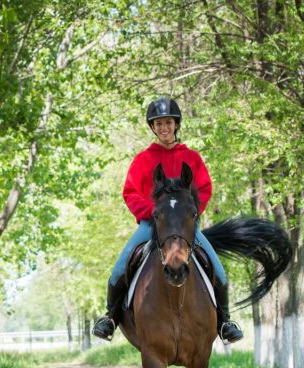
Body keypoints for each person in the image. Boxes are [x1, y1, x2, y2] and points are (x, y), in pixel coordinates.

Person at [91, 97, 243, 344]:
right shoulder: (143, 160)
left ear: (176, 125)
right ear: (153, 127)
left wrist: (188, 215)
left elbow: (203, 189)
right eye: (159, 123)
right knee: (120, 267)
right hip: (152, 225)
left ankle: (225, 322)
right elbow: (130, 192)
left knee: (218, 270)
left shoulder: (191, 158)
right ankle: (110, 318)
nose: (164, 127)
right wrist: (154, 213)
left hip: (184, 226)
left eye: (168, 123)